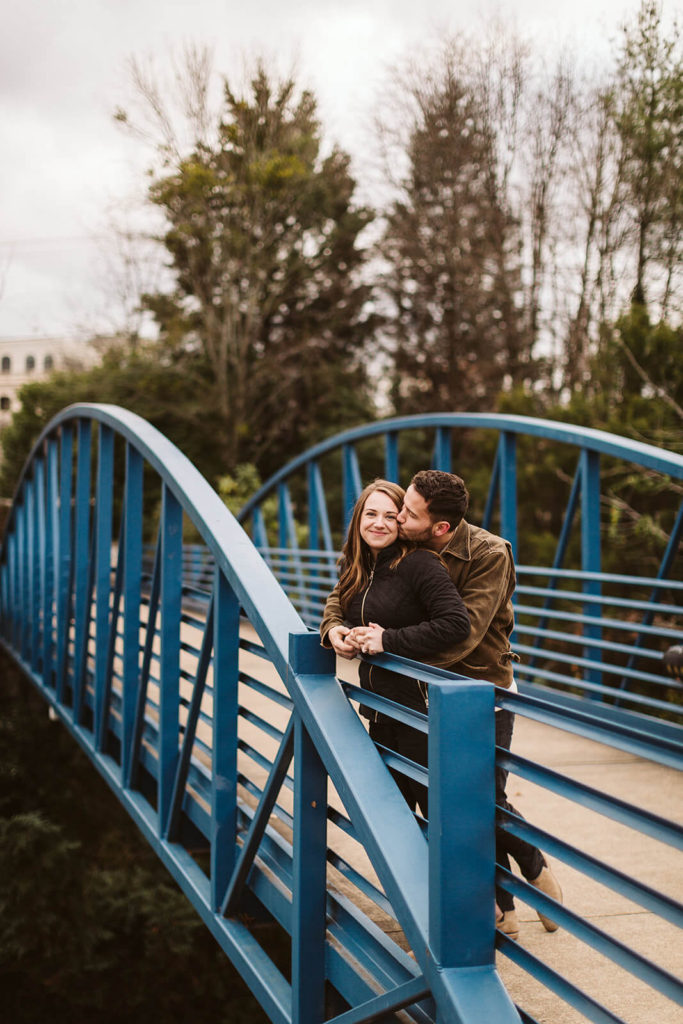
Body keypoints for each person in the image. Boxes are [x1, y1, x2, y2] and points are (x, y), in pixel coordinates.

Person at [324, 469, 562, 941]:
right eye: (392, 509)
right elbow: (346, 593)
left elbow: (462, 637)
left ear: (440, 529)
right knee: (450, 808)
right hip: (419, 699)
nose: (396, 518)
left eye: (404, 514)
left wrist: (384, 641)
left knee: (481, 802)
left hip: (479, 691)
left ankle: (532, 868)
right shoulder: (394, 552)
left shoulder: (488, 554)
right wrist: (337, 627)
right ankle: (503, 909)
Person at [320, 478, 470, 817]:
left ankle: (523, 866)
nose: (379, 523)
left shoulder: (419, 564)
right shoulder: (358, 568)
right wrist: (334, 631)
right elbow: (337, 605)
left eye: (390, 516)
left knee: (442, 819)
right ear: (358, 518)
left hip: (420, 715)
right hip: (379, 711)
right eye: (371, 513)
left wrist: (386, 640)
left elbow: (457, 624)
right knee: (392, 820)